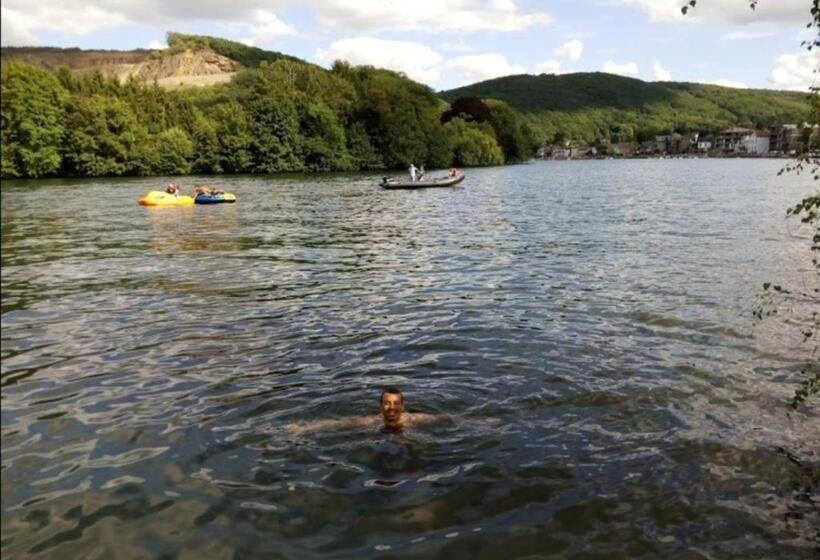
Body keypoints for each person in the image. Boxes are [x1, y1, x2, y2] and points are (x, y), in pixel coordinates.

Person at [285, 388, 446, 435]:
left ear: (402, 406)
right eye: (387, 403)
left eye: (396, 403)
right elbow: (339, 423)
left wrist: (470, 423)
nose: (391, 407)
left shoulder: (415, 419)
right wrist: (304, 428)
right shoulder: (372, 422)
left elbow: (445, 418)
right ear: (380, 406)